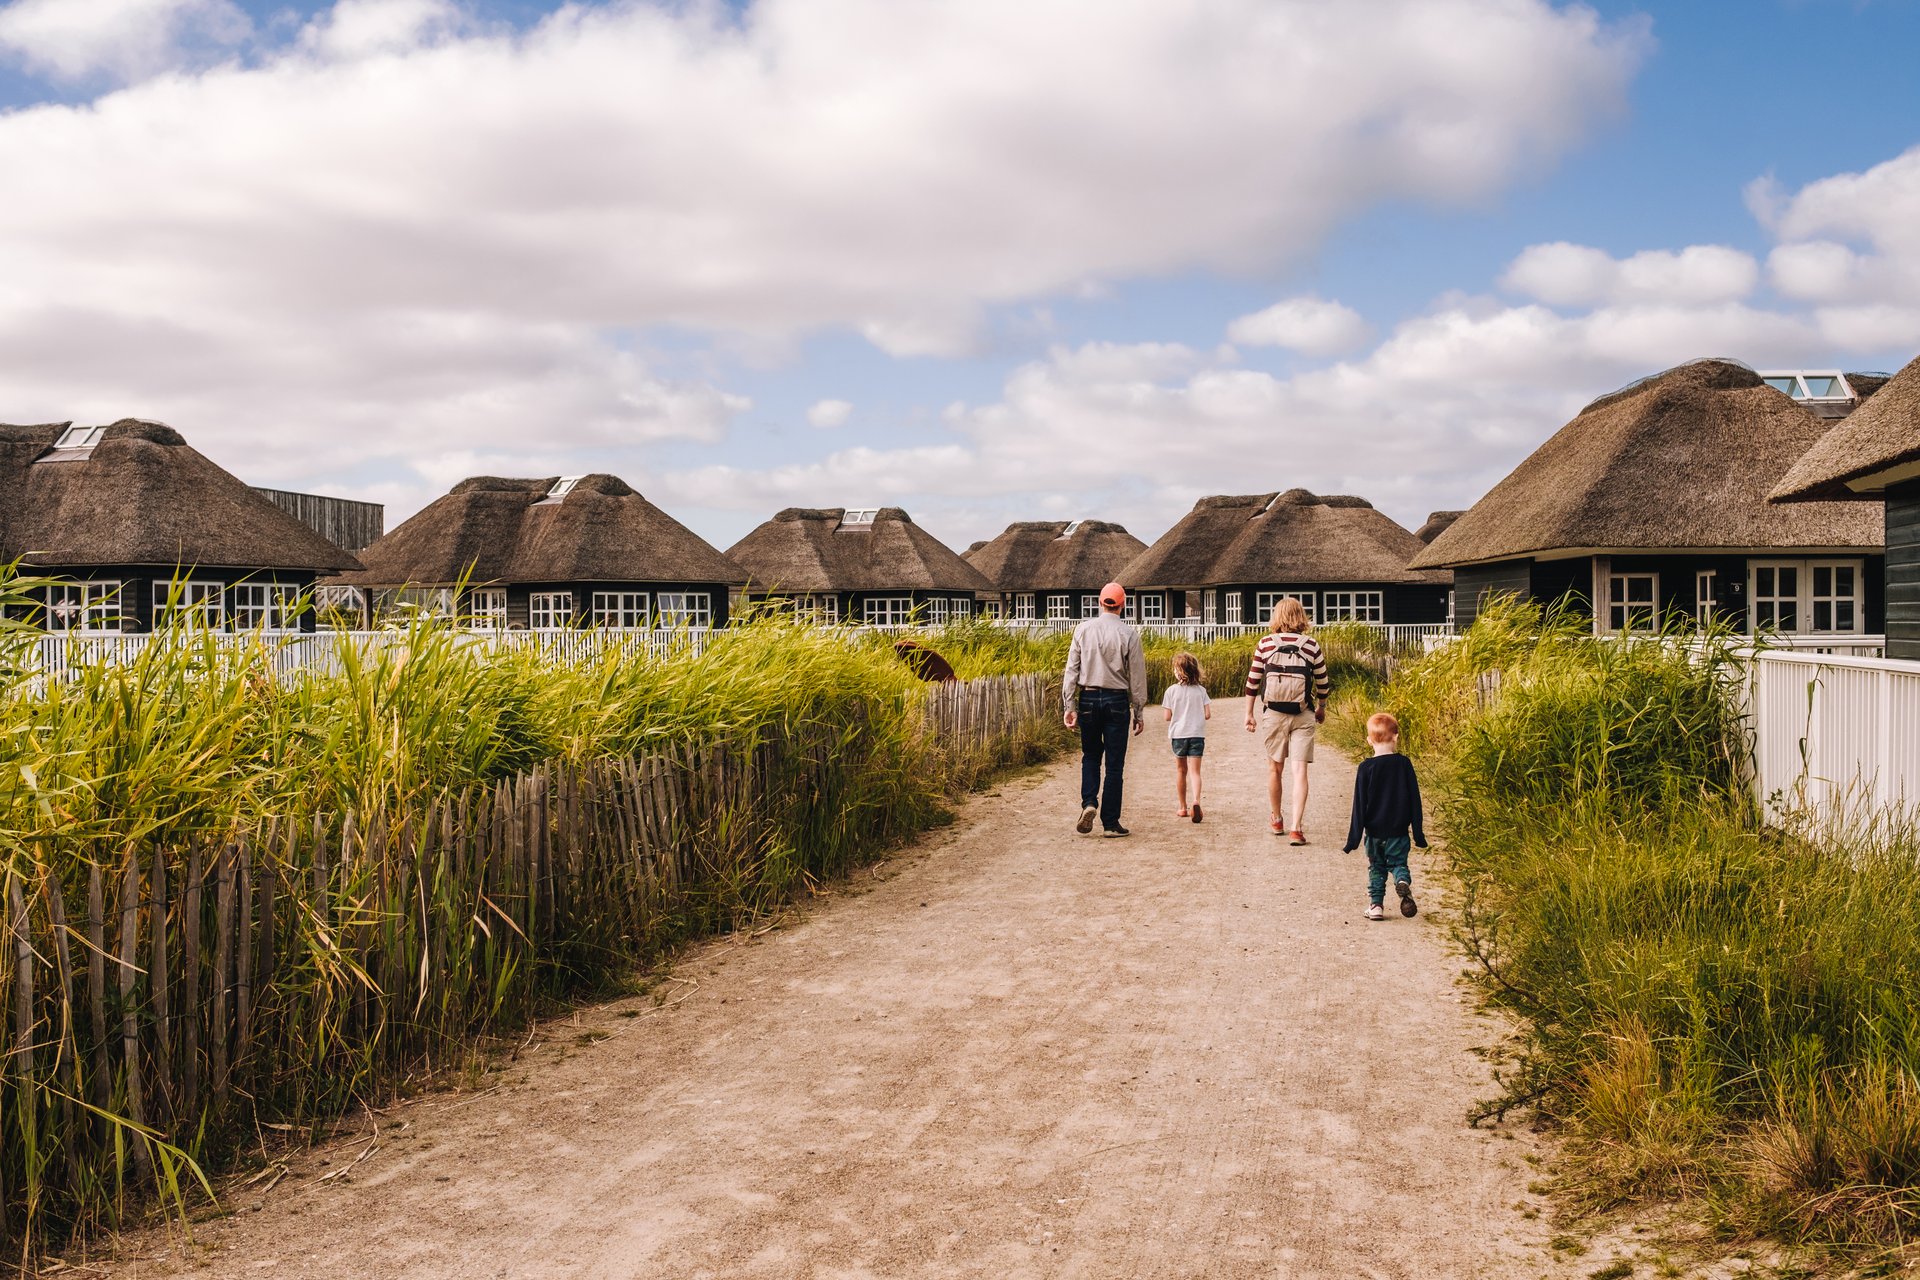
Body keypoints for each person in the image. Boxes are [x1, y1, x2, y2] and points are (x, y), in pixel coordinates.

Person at [1062, 582, 1147, 838]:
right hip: (1116, 700)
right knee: (1114, 764)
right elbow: (1137, 677)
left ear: (1100, 603)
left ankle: (1089, 802)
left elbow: (1071, 670)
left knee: (1090, 756)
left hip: (1088, 698)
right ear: (1123, 605)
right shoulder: (1129, 634)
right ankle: (1110, 823)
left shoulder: (1083, 630)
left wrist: (1069, 705)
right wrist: (1139, 711)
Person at [1243, 596, 1330, 843]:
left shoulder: (1265, 644)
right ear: (1301, 616)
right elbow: (1323, 683)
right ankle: (1296, 827)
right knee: (1299, 771)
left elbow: (1252, 682)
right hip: (1303, 713)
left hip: (1273, 714)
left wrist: (1249, 714)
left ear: (1276, 617)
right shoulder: (1311, 645)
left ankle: (1277, 818)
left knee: (1275, 768)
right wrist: (1321, 708)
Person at [1342, 711, 1427, 921]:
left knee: (1376, 868)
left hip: (1374, 833)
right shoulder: (1404, 764)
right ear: (1396, 737)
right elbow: (1415, 800)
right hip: (1398, 832)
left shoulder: (1365, 768)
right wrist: (1418, 834)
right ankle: (1401, 881)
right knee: (1398, 864)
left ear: (1369, 740)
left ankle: (1376, 906)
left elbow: (1359, 805)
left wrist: (1353, 840)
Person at [1162, 652, 1210, 823]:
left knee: (1181, 771)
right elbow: (1207, 714)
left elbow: (1167, 717)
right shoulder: (1201, 691)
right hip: (1197, 734)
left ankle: (1182, 807)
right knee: (1195, 772)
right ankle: (1196, 801)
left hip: (1179, 735)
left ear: (1179, 672)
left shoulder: (1171, 691)